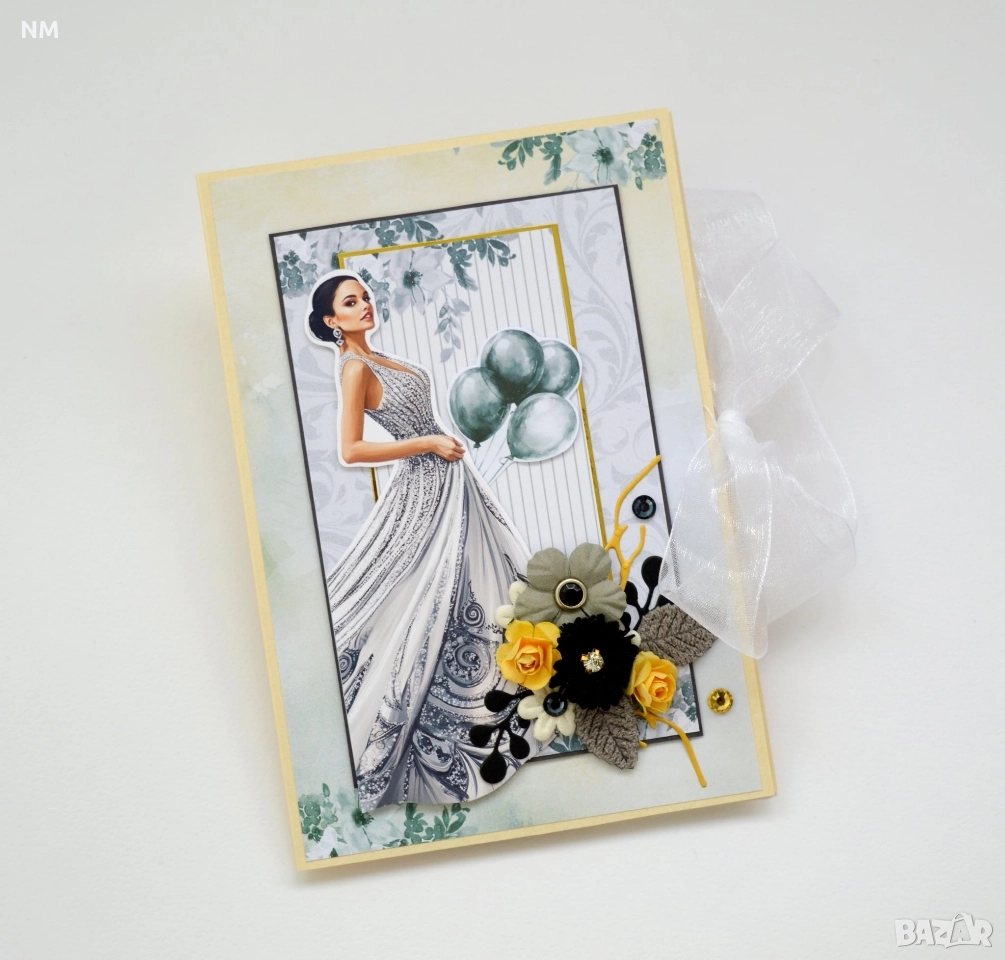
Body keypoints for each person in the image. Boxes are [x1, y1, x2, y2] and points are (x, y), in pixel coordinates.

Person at [305, 270, 535, 811]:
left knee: (477, 573)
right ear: (332, 320)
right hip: (425, 483)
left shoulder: (375, 356)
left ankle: (502, 682)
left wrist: (436, 444)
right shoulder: (355, 367)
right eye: (350, 302)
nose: (365, 305)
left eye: (365, 297)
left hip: (448, 475)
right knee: (427, 587)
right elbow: (351, 450)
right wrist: (427, 442)